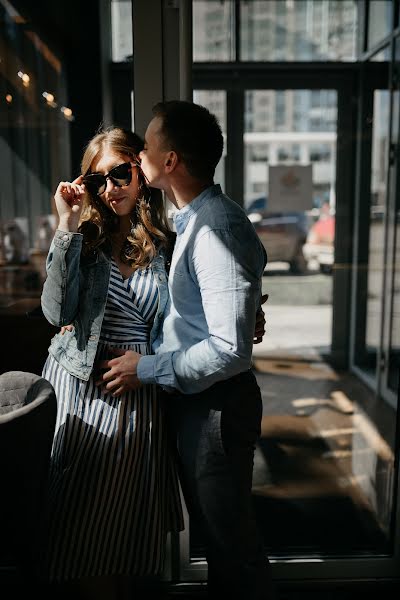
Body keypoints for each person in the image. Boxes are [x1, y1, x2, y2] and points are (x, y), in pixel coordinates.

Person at [98, 101, 276, 600]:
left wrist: (146, 368)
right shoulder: (195, 220)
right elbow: (231, 294)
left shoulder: (214, 226)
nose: (139, 152)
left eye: (148, 144)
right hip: (202, 403)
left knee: (231, 548)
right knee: (223, 544)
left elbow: (228, 349)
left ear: (170, 160)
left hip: (215, 407)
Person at [38, 126, 183, 600]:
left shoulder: (164, 244)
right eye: (99, 180)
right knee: (79, 527)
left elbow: (183, 322)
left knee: (120, 529)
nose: (112, 188)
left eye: (121, 174)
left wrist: (149, 364)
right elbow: (57, 312)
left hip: (136, 392)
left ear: (140, 173)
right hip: (80, 389)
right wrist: (66, 225)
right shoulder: (83, 240)